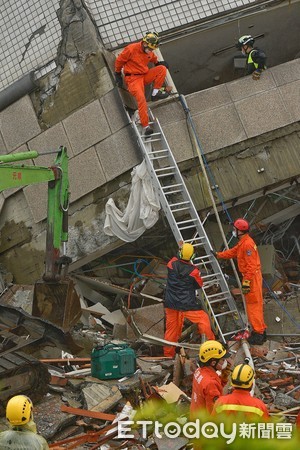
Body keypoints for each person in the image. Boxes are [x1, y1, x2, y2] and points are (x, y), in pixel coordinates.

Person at [213, 218, 267, 345]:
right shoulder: (244, 242)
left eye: (235, 229)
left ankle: (259, 333)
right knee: (254, 305)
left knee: (253, 306)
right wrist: (219, 255)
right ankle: (260, 330)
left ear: (240, 231)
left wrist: (247, 282)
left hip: (251, 277)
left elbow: (251, 267)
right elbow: (233, 252)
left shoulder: (247, 244)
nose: (233, 231)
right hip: (251, 277)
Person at [163, 242, 215, 357]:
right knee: (203, 320)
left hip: (171, 303)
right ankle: (211, 347)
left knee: (171, 329)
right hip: (187, 304)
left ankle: (168, 355)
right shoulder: (193, 271)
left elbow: (176, 257)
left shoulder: (171, 264)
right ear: (192, 257)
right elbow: (199, 285)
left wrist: (181, 246)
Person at [115, 31, 170, 137]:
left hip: (144, 76)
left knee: (162, 69)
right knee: (141, 99)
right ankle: (146, 126)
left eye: (152, 49)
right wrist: (117, 73)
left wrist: (159, 63)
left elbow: (154, 59)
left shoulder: (149, 52)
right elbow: (119, 61)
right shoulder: (131, 49)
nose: (150, 51)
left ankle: (155, 93)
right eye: (149, 48)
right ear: (144, 43)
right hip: (133, 79)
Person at [190, 340, 231, 416]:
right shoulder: (210, 383)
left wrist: (224, 377)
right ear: (213, 362)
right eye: (223, 359)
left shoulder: (199, 371)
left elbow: (214, 387)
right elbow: (215, 412)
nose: (225, 362)